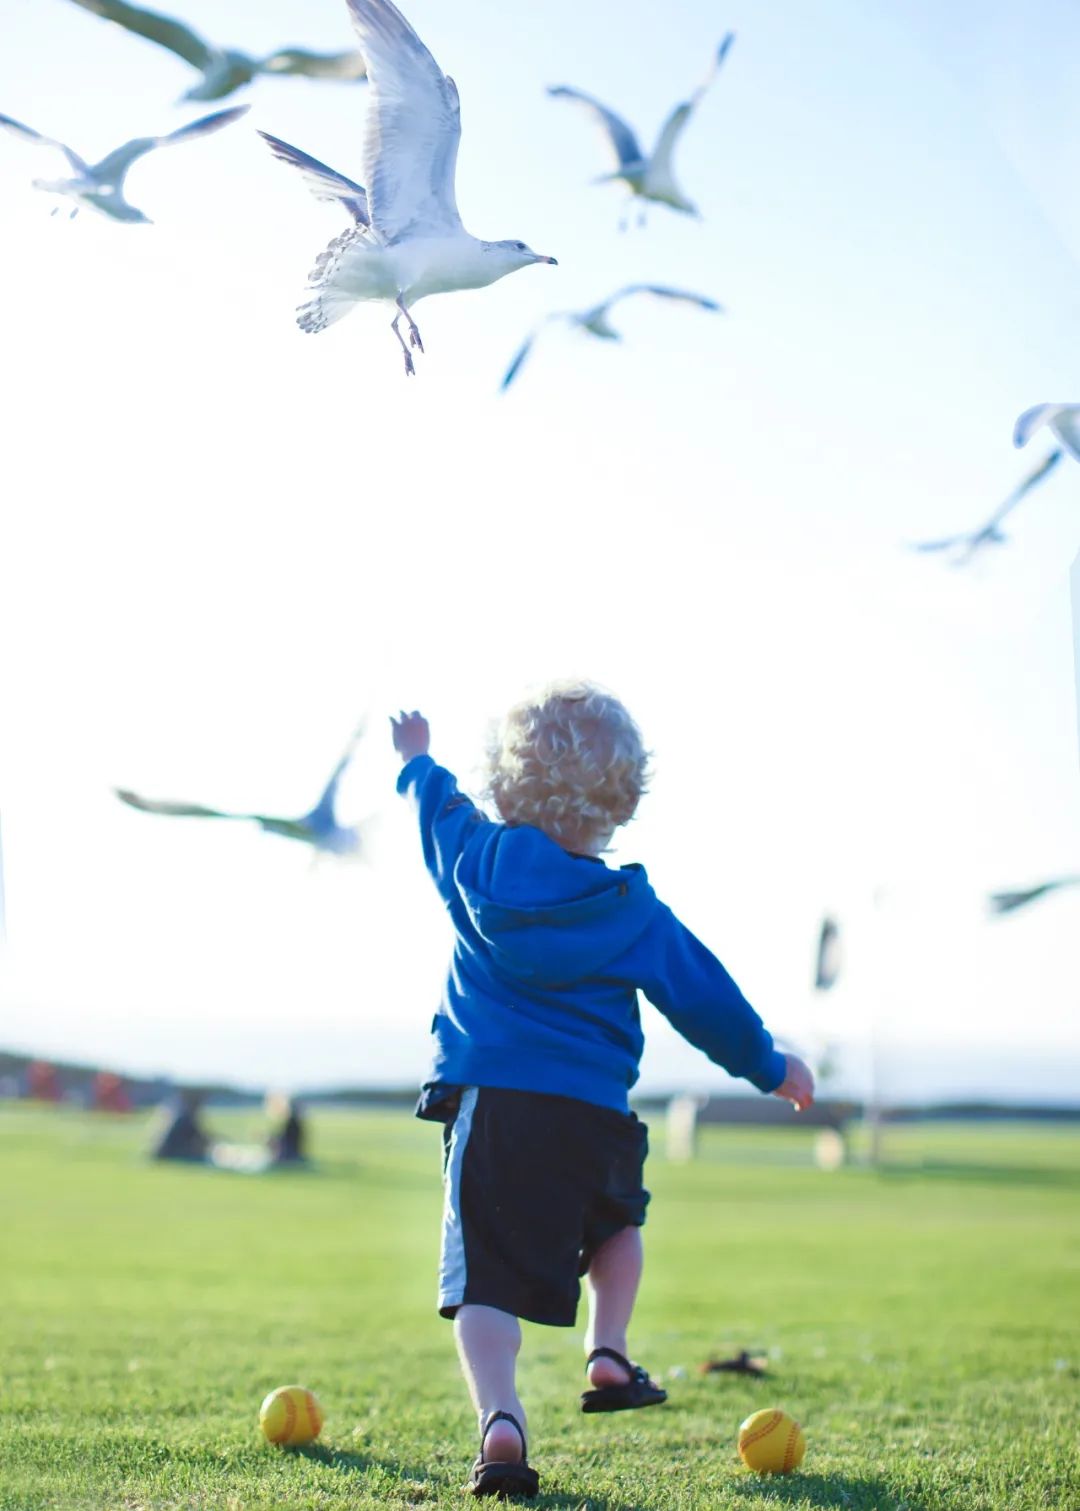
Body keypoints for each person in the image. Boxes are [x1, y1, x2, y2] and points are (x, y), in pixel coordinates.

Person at [391, 684, 814, 1500]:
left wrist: (416, 760)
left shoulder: (475, 860)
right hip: (595, 1114)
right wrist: (769, 1063)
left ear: (507, 783)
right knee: (618, 1225)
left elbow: (434, 813)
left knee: (483, 1281)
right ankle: (609, 1349)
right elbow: (705, 998)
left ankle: (502, 1419)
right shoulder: (632, 908)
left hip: (499, 1107)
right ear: (620, 801)